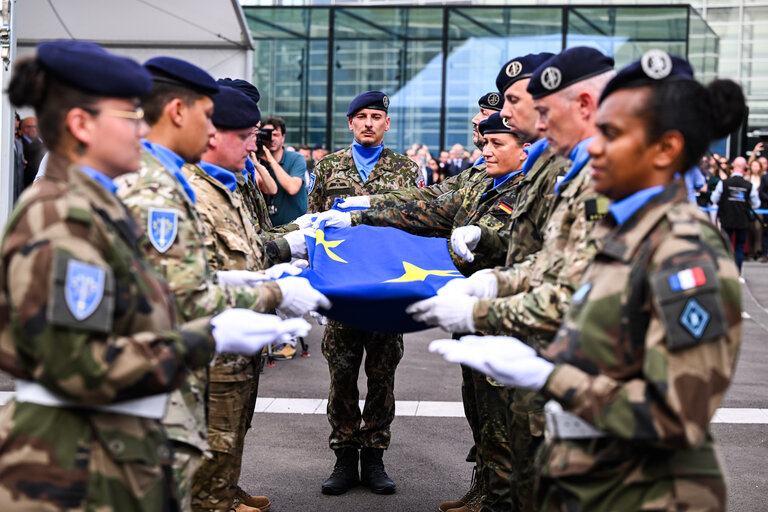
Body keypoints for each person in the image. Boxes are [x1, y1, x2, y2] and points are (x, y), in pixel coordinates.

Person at [0, 39, 310, 512]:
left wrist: (234, 289)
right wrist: (207, 336)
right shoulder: (65, 216)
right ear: (81, 124)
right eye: (131, 118)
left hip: (110, 452)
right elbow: (79, 366)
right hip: (70, 470)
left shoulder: (94, 205)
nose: (144, 130)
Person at [431, 50, 745, 512]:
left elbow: (677, 415)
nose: (593, 147)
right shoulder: (628, 230)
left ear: (666, 149)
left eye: (611, 134)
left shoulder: (685, 252)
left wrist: (551, 377)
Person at [409, 47, 615, 512]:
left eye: (540, 109)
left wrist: (481, 308)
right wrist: (489, 286)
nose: (513, 119)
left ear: (582, 106)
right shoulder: (569, 170)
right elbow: (548, 264)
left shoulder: (599, 178)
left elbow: (576, 289)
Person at [115, 56, 321, 512]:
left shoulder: (189, 182)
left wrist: (270, 274)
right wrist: (274, 292)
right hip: (190, 362)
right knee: (194, 484)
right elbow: (182, 295)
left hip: (209, 354)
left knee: (211, 474)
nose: (251, 146)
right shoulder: (160, 190)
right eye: (211, 119)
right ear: (178, 112)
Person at [308, 90, 419, 497]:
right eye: (362, 116)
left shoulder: (406, 170)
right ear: (350, 123)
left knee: (382, 378)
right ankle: (343, 457)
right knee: (341, 377)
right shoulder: (328, 169)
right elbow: (313, 226)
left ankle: (374, 457)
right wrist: (317, 284)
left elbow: (417, 228)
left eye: (377, 116)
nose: (369, 122)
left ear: (387, 123)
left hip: (387, 290)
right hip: (343, 291)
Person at [711, 155, 760, 275]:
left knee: (725, 247)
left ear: (733, 167)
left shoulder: (724, 183)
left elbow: (714, 198)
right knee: (739, 247)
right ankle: (737, 274)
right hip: (742, 220)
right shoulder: (749, 186)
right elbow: (756, 204)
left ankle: (725, 273)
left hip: (726, 219)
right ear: (745, 168)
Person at [260, 116, 308, 226]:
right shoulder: (258, 161)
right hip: (267, 231)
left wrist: (271, 161)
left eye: (276, 135)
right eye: (267, 134)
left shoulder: (296, 158)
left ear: (283, 137)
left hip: (295, 228)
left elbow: (292, 188)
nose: (271, 138)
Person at [19, 115, 45, 189]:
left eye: (36, 126)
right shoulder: (20, 144)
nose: (34, 129)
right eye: (29, 126)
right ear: (23, 128)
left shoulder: (40, 144)